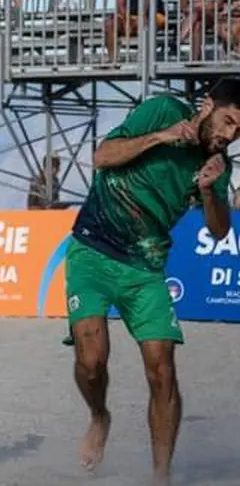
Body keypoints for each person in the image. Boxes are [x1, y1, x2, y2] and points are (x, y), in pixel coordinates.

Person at [63, 79, 240, 486]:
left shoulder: (218, 164)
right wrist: (160, 137)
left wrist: (210, 192)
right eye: (227, 121)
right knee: (91, 361)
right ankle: (99, 416)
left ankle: (161, 476)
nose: (229, 135)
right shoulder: (162, 110)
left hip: (146, 268)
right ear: (208, 104)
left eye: (238, 131)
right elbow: (103, 156)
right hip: (93, 250)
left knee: (162, 370)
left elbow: (217, 232)